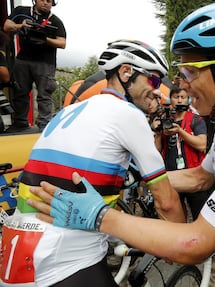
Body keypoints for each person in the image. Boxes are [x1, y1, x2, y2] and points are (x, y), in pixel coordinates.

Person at [26, 4, 215, 287]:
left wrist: (99, 215)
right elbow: (199, 177)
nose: (181, 86)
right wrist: (139, 178)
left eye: (189, 73)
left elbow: (196, 242)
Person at [0, 39, 185, 287]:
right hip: (65, 261)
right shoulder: (128, 114)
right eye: (153, 80)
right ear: (126, 72)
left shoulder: (67, 112)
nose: (157, 89)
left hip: (18, 256)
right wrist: (178, 243)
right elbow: (166, 201)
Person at [3, 0, 66, 132]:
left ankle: (45, 125)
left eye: (49, 1)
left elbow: (62, 43)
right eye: (42, 0)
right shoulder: (22, 11)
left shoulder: (55, 21)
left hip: (45, 62)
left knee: (45, 94)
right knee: (20, 92)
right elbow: (7, 26)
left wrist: (45, 39)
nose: (45, 3)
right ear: (35, 0)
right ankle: (20, 123)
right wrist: (21, 26)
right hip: (23, 60)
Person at [155, 85, 209, 219]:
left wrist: (180, 131)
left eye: (183, 97)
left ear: (188, 100)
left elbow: (202, 144)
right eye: (176, 97)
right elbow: (157, 151)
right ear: (170, 100)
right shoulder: (166, 120)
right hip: (173, 176)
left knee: (200, 217)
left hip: (194, 176)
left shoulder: (196, 119)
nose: (179, 100)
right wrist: (157, 133)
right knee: (177, 219)